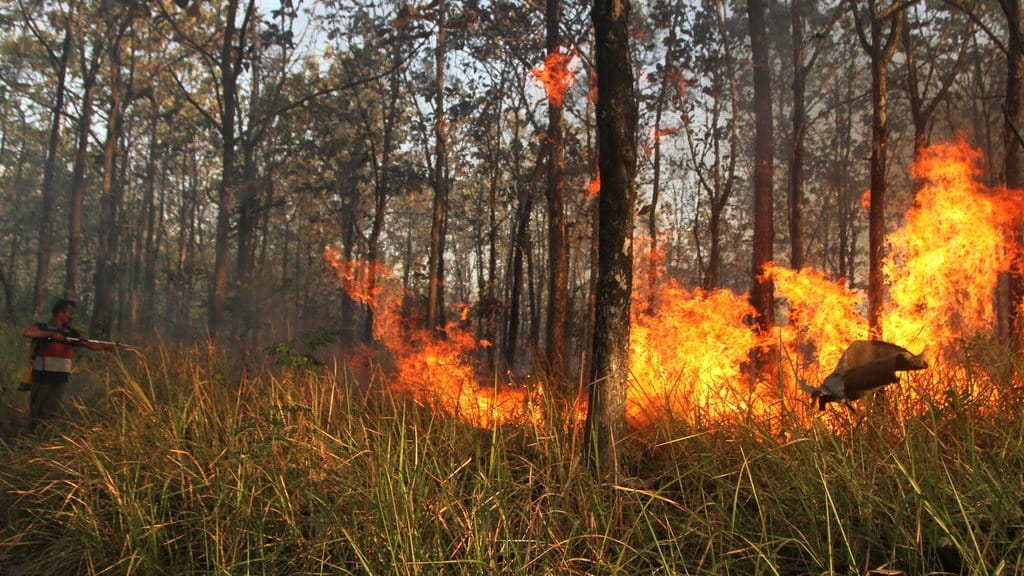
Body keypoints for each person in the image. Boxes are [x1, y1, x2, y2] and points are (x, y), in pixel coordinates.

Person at [22, 298, 116, 431]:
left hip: (60, 378)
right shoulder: (42, 327)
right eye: (69, 313)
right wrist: (51, 335)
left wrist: (108, 347)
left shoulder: (71, 333)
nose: (71, 317)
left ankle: (45, 438)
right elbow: (27, 332)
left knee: (52, 412)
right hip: (42, 377)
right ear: (60, 313)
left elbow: (90, 344)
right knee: (38, 412)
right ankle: (30, 438)